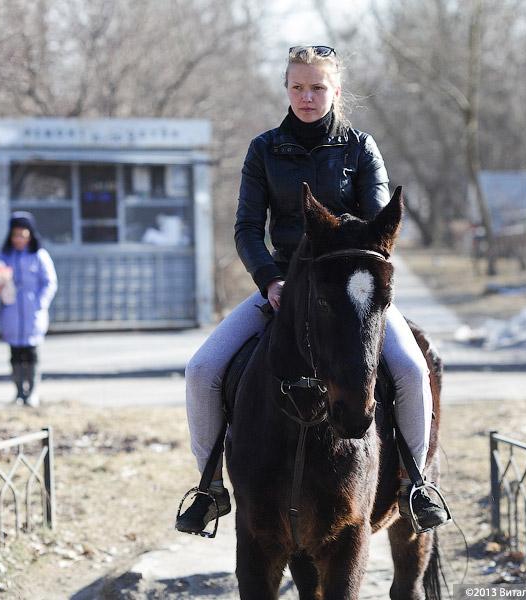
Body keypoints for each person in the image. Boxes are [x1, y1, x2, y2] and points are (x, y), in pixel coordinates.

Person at [175, 45, 449, 535]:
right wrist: (270, 280)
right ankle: (210, 486)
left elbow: (379, 226)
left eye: (317, 87)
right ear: (286, 88)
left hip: (349, 295)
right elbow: (245, 229)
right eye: (298, 87)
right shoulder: (263, 150)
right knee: (201, 370)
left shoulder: (361, 148)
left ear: (336, 91)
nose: (307, 96)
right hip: (279, 287)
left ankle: (415, 484)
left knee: (410, 370)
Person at [0, 212, 58, 408]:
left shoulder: (39, 256)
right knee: (15, 353)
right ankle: (19, 391)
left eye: (23, 234)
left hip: (32, 312)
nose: (19, 239)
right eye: (16, 235)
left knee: (31, 352)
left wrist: (40, 303)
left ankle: (33, 391)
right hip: (11, 311)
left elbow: (50, 282)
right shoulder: (3, 257)